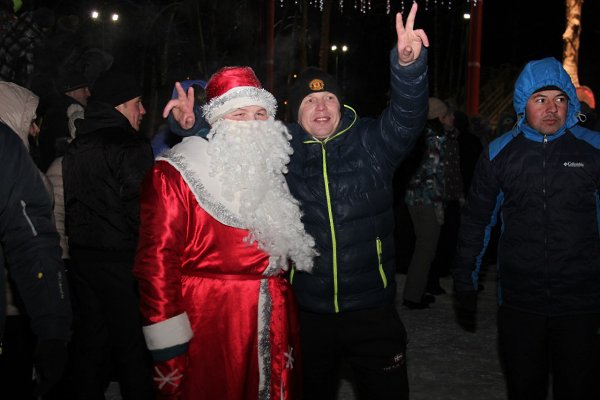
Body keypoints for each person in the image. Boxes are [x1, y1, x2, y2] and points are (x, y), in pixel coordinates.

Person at [167, 4, 428, 399]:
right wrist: (189, 124)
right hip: (308, 311)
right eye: (309, 101)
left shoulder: (372, 142)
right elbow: (237, 134)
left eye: (328, 99)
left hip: (371, 308)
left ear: (341, 106)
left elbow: (408, 116)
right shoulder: (282, 150)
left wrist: (408, 68)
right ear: (296, 112)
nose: (320, 107)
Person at [134, 66, 317, 399]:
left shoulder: (272, 167)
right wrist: (168, 346)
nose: (253, 124)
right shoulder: (175, 173)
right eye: (239, 114)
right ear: (217, 121)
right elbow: (156, 266)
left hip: (275, 316)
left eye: (260, 114)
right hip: (212, 323)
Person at [452, 57, 600, 400]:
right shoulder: (499, 153)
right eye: (540, 99)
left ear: (571, 103)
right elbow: (477, 220)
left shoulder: (593, 149)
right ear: (523, 104)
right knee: (524, 388)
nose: (552, 109)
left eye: (560, 99)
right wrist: (465, 277)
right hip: (521, 300)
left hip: (580, 300)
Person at [63, 68, 155, 399]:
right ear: (120, 105)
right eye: (137, 103)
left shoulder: (77, 146)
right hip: (123, 264)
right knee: (133, 349)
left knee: (91, 345)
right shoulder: (130, 145)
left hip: (82, 262)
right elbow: (142, 210)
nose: (143, 110)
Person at [0, 94, 72, 398]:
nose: (37, 130)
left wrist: (52, 324)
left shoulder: (7, 151)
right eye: (31, 121)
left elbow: (31, 237)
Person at [402, 97, 447, 309]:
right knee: (426, 249)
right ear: (438, 117)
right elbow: (434, 174)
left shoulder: (416, 136)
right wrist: (439, 204)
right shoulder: (435, 139)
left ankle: (416, 291)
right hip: (427, 199)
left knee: (421, 246)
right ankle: (413, 296)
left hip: (412, 197)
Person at [38, 68, 90, 171]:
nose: (89, 93)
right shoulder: (65, 114)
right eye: (84, 89)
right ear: (69, 92)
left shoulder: (54, 111)